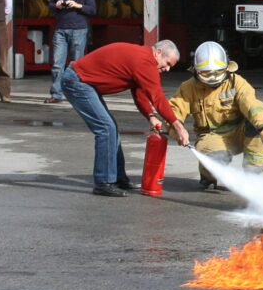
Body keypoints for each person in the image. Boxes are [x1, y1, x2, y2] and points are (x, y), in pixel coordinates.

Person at [61, 39, 190, 197]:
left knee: (110, 127)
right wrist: (178, 127)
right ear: (158, 53)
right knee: (106, 128)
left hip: (82, 82)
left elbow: (139, 93)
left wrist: (150, 116)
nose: (168, 69)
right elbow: (158, 98)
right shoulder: (145, 61)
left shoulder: (143, 59)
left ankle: (118, 178)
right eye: (167, 63)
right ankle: (104, 182)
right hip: (77, 82)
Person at [169, 41, 263, 189]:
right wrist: (176, 129)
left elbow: (251, 103)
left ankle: (252, 175)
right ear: (196, 70)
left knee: (257, 123)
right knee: (216, 161)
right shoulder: (188, 88)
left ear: (226, 67)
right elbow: (173, 111)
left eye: (218, 72)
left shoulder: (236, 82)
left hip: (240, 133)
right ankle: (208, 176)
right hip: (212, 137)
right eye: (206, 73)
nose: (213, 78)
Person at [45, 0, 96, 103]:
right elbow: (50, 5)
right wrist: (57, 5)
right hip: (61, 29)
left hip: (79, 30)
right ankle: (56, 94)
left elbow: (93, 9)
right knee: (57, 64)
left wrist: (78, 5)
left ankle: (77, 94)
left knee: (77, 64)